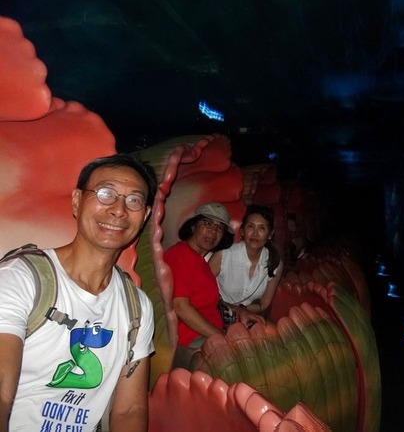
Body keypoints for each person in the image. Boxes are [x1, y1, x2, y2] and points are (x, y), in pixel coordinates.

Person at [0, 154, 157, 432]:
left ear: (144, 216)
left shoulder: (138, 307)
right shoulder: (21, 278)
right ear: (77, 200)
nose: (119, 210)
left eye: (133, 200)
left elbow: (130, 411)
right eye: (106, 193)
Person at [164, 203, 263, 349]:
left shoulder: (202, 263)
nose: (213, 231)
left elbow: (213, 303)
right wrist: (223, 338)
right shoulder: (179, 255)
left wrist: (240, 311)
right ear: (193, 226)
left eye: (219, 228)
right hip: (191, 340)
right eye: (207, 223)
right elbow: (180, 307)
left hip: (211, 335)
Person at [209, 204, 283, 323]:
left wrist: (243, 311)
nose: (255, 233)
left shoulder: (275, 264)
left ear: (270, 234)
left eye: (262, 228)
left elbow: (263, 304)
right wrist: (238, 310)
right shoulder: (223, 256)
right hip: (213, 313)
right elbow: (200, 291)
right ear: (242, 231)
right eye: (250, 226)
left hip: (245, 318)